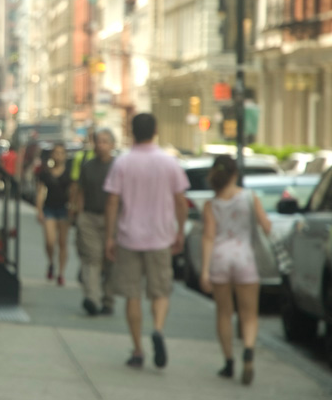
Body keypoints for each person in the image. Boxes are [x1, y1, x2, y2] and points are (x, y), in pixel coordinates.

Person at [104, 113, 189, 369]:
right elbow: (181, 201)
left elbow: (112, 201)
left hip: (129, 237)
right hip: (161, 237)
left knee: (132, 295)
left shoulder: (122, 163)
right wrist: (180, 230)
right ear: (155, 131)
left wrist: (110, 236)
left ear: (131, 132)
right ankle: (159, 330)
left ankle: (138, 350)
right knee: (160, 291)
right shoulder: (169, 162)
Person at [200, 155, 271, 385]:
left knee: (223, 313)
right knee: (248, 314)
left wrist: (204, 270)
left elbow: (209, 236)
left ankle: (228, 361)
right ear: (235, 174)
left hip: (220, 258)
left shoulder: (211, 204)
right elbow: (266, 226)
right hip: (245, 257)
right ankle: (248, 350)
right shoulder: (250, 198)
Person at [75, 128, 116, 316]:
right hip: (90, 217)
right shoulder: (88, 166)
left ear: (112, 145)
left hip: (113, 220)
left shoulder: (118, 167)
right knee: (92, 258)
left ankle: (108, 300)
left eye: (105, 142)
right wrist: (79, 215)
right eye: (98, 141)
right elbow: (80, 192)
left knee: (109, 262)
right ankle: (91, 298)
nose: (101, 145)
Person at [36, 143, 71, 286]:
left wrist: (73, 209)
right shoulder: (45, 173)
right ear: (52, 155)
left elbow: (73, 192)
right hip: (49, 209)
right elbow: (40, 192)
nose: (58, 155)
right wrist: (39, 210)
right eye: (56, 152)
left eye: (61, 153)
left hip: (64, 209)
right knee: (50, 241)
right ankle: (51, 262)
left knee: (62, 243)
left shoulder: (69, 173)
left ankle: (61, 273)